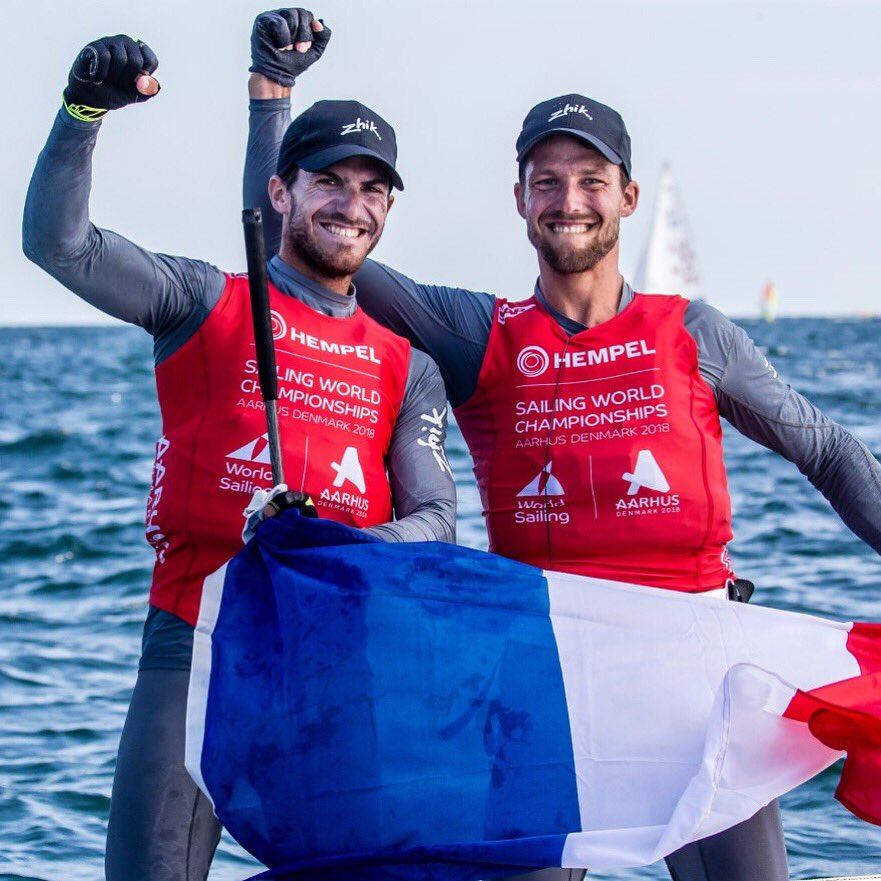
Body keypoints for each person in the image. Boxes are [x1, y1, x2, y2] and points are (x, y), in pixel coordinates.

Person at [243, 16, 881, 881]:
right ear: (519, 201)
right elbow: (284, 239)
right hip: (543, 675)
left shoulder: (693, 334)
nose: (567, 199)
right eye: (545, 181)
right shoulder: (475, 334)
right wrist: (273, 96)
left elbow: (828, 451)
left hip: (696, 675)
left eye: (589, 180)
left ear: (627, 197)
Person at [23, 13, 456, 881]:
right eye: (329, 181)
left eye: (372, 189)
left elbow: (438, 520)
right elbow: (58, 246)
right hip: (193, 648)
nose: (352, 205)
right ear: (281, 193)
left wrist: (336, 542)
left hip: (339, 665)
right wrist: (80, 115)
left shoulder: (406, 365)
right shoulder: (203, 302)